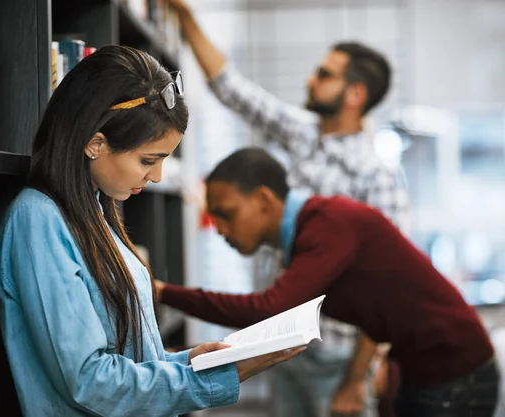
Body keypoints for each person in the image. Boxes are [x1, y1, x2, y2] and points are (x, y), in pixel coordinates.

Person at [0, 45, 303, 417]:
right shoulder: (37, 222)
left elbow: (127, 354)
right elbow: (89, 381)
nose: (155, 177)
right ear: (95, 143)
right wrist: (209, 382)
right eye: (148, 160)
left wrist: (186, 362)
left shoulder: (95, 212)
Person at [166, 0, 409, 415]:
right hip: (284, 343)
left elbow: (389, 287)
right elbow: (230, 87)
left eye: (325, 74)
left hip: (338, 354)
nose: (311, 78)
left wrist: (357, 377)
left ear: (355, 94)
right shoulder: (301, 133)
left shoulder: (376, 178)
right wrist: (185, 16)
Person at [155, 147, 501, 417]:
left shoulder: (327, 223)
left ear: (263, 199)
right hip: (425, 370)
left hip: (456, 374)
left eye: (226, 214)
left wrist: (164, 292)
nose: (220, 230)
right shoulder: (312, 229)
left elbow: (270, 309)